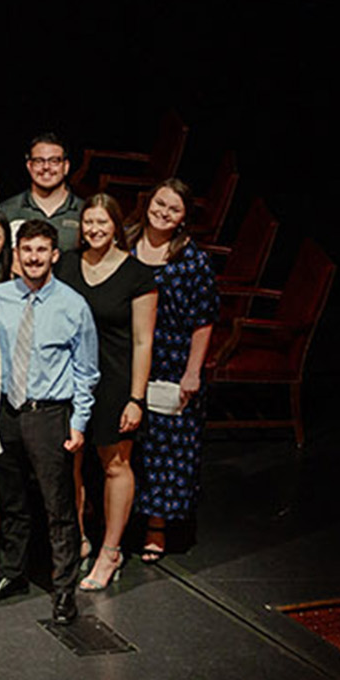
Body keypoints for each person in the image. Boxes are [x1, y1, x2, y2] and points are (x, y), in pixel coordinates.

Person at [0, 220, 99, 625]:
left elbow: (86, 371)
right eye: (27, 250)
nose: (33, 257)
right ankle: (12, 575)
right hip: (7, 412)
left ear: (54, 255)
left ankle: (64, 591)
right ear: (16, 253)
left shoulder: (73, 305)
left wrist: (79, 423)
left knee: (58, 507)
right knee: (11, 501)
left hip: (48, 413)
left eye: (42, 250)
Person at [65, 194, 157, 592]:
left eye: (102, 222)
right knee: (69, 462)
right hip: (70, 379)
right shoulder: (67, 264)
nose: (94, 229)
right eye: (88, 222)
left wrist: (136, 398)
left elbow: (143, 341)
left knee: (115, 464)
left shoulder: (137, 274)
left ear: (116, 226)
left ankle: (110, 551)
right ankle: (78, 541)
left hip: (115, 380)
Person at [132, 179, 218, 565]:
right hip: (129, 357)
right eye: (160, 203)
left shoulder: (192, 259)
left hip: (171, 360)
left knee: (165, 448)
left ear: (184, 218)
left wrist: (192, 371)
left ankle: (157, 527)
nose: (163, 213)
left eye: (174, 209)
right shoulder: (126, 244)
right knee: (129, 444)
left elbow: (204, 320)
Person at [0, 134, 85, 263]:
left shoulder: (84, 212)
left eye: (54, 161)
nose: (46, 167)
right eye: (39, 161)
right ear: (29, 166)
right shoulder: (7, 211)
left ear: (66, 167)